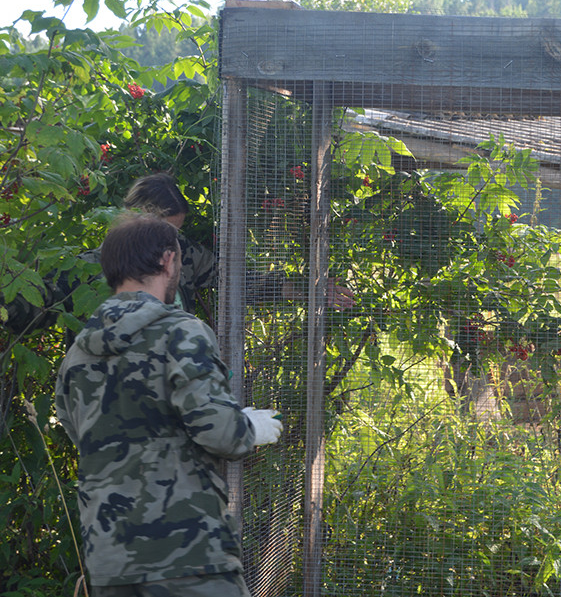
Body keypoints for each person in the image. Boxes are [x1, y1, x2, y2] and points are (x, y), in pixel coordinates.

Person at [55, 212, 283, 596]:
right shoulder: (181, 331)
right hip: (188, 553)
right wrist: (247, 427)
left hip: (110, 560)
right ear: (167, 260)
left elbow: (84, 435)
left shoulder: (78, 354)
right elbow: (218, 432)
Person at [3, 172, 354, 335]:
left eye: (176, 233)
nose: (170, 245)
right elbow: (32, 309)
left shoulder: (182, 255)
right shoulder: (87, 270)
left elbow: (246, 283)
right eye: (163, 231)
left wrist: (311, 289)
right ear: (134, 220)